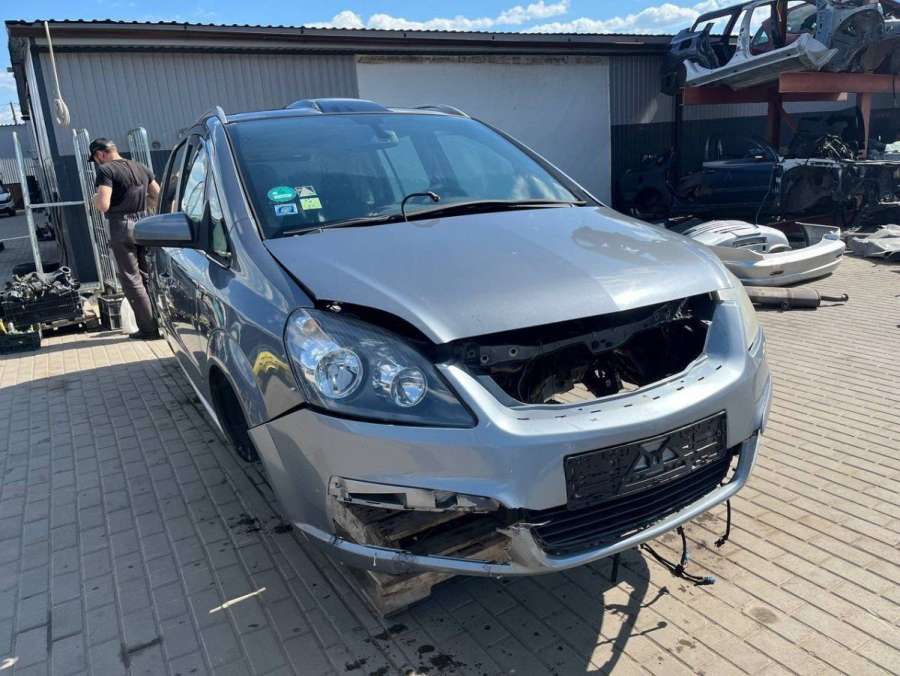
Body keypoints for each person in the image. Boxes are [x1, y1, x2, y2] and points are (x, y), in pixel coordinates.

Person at [90, 138, 161, 339]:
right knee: (147, 276)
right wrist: (141, 204)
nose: (97, 163)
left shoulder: (106, 171)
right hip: (143, 225)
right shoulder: (141, 167)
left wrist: (94, 199)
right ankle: (160, 322)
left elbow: (103, 204)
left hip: (121, 226)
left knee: (131, 279)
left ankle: (148, 329)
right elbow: (158, 195)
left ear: (100, 154)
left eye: (95, 159)